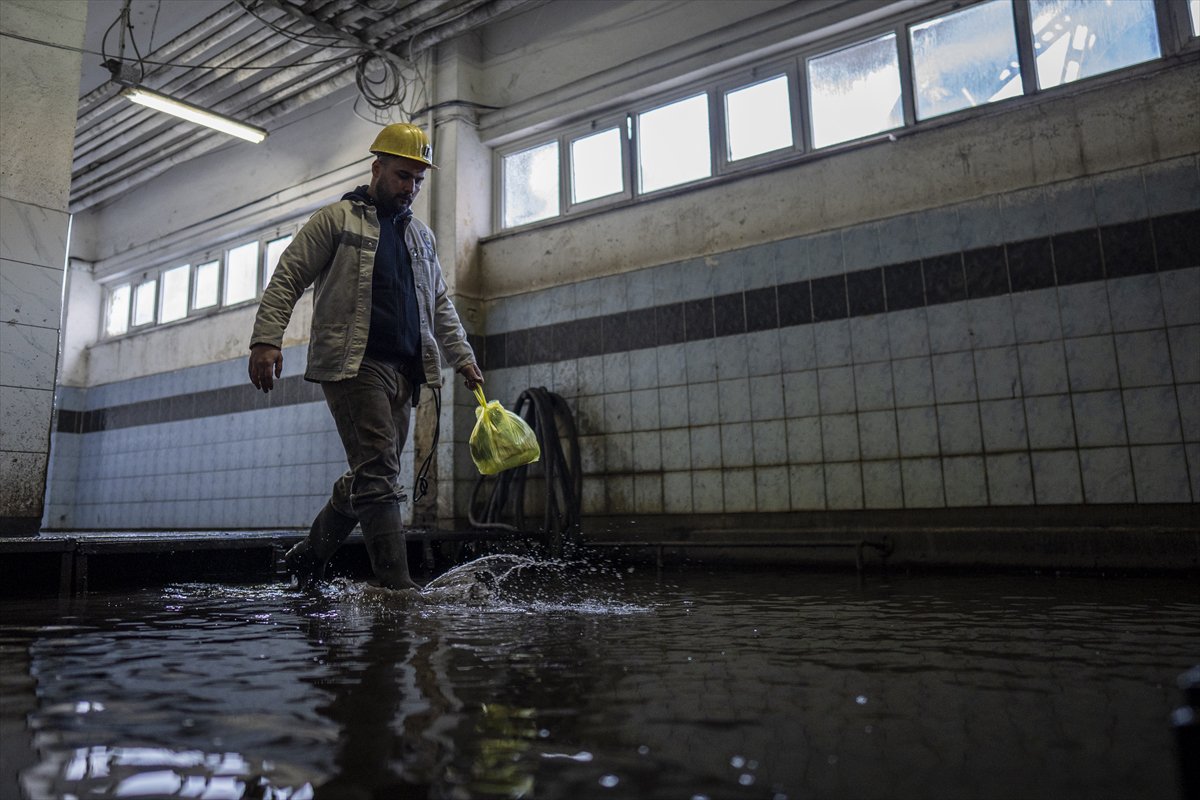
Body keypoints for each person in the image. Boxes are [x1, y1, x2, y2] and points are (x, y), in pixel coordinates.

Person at [248, 122, 483, 592]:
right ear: (377, 168)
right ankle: (397, 587)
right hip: (354, 366)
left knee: (370, 473)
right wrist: (266, 339)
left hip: (406, 372)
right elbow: (289, 276)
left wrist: (463, 358)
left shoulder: (421, 239)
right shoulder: (336, 221)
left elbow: (438, 303)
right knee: (379, 473)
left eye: (418, 179)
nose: (410, 188)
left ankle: (308, 558)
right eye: (402, 176)